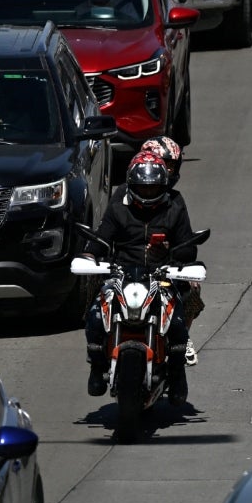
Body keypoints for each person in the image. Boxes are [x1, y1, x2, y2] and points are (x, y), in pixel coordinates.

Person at [84, 147, 201, 396]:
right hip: (121, 275)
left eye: (153, 187)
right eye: (143, 187)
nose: (148, 192)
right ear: (131, 185)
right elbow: (100, 240)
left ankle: (178, 375)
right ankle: (96, 368)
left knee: (178, 323)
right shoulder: (118, 207)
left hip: (162, 275)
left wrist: (171, 251)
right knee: (94, 317)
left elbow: (188, 250)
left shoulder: (175, 206)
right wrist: (88, 256)